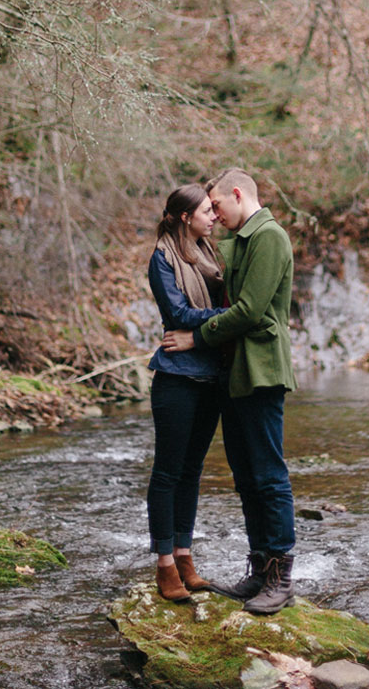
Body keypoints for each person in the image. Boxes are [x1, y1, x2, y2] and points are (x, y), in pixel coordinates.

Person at [163, 167, 296, 615]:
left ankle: (280, 579)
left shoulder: (269, 237)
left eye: (217, 205)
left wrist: (195, 338)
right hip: (236, 371)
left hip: (261, 369)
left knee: (269, 477)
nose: (214, 215)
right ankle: (259, 570)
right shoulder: (240, 240)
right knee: (245, 479)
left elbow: (249, 310)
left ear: (237, 194)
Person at [146, 183, 226, 602]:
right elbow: (176, 313)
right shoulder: (162, 259)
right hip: (176, 377)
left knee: (192, 472)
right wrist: (230, 316)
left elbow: (201, 315)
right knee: (168, 473)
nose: (213, 216)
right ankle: (163, 565)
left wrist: (211, 325)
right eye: (206, 211)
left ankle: (185, 556)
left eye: (215, 210)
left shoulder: (210, 257)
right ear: (184, 216)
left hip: (210, 375)